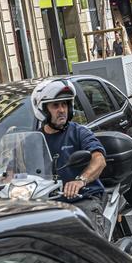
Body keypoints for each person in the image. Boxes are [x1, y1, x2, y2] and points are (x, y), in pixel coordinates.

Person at [31, 79, 108, 233]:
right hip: (48, 203)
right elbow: (16, 169)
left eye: (64, 104)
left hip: (83, 198)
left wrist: (80, 181)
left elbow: (99, 159)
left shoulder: (79, 132)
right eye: (55, 105)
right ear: (44, 110)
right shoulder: (33, 140)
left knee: (88, 236)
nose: (62, 110)